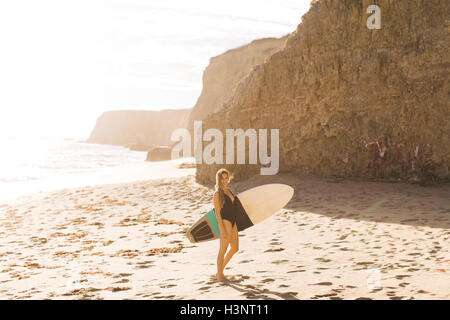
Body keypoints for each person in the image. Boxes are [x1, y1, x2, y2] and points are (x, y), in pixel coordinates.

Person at [214, 168, 239, 282]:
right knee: (223, 250)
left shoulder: (229, 190)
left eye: (226, 178)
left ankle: (219, 270)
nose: (224, 180)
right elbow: (217, 213)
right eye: (222, 178)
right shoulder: (217, 194)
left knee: (235, 248)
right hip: (226, 222)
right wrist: (222, 229)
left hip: (233, 221)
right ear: (219, 180)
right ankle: (220, 276)